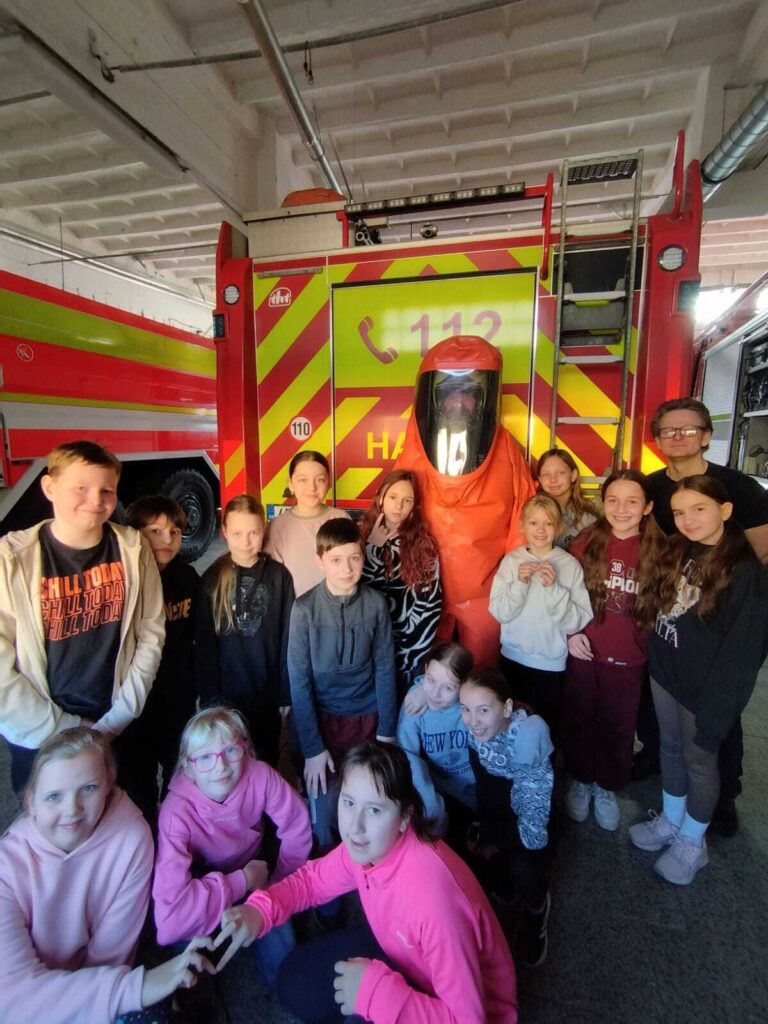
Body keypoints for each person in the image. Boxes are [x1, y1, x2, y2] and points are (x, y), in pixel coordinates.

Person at [214, 739, 518, 1023]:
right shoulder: (368, 845)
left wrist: (375, 995)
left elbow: (469, 1019)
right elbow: (312, 882)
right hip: (404, 951)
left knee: (353, 1006)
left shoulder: (435, 904)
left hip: (465, 1007)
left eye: (374, 810)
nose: (355, 827)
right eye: (349, 803)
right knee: (294, 981)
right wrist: (261, 909)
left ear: (404, 817)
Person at [0, 727, 214, 1024]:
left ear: (109, 784)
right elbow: (13, 1000)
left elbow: (110, 956)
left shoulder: (132, 836)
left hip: (95, 982)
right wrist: (138, 987)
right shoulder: (6, 868)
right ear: (30, 802)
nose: (72, 810)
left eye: (88, 789)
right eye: (54, 797)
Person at [0, 440, 165, 795]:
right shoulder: (10, 560)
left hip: (119, 725)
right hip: (42, 737)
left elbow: (151, 633)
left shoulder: (134, 549)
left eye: (107, 490)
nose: (95, 500)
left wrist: (119, 717)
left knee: (131, 809)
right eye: (81, 488)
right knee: (58, 823)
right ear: (49, 487)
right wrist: (66, 730)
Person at [629, 476, 768, 885]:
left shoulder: (745, 572)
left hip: (703, 689)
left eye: (699, 509)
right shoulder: (680, 549)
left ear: (725, 510)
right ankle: (672, 820)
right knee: (670, 749)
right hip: (666, 674)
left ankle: (693, 841)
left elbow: (743, 654)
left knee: (700, 761)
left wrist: (719, 708)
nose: (687, 519)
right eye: (679, 512)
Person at [639, 397, 768, 834]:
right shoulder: (653, 487)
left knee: (715, 725)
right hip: (676, 635)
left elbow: (761, 552)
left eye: (688, 429)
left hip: (719, 630)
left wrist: (724, 603)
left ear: (707, 435)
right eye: (668, 431)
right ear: (657, 440)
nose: (677, 437)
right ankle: (669, 786)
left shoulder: (739, 488)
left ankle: (723, 796)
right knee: (670, 730)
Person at [395, 335, 536, 666]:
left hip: (486, 594)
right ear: (437, 400)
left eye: (468, 394)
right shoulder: (415, 448)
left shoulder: (505, 448)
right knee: (428, 674)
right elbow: (392, 511)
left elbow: (524, 516)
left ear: (482, 399)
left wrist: (512, 579)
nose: (459, 402)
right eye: (450, 394)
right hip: (425, 589)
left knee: (480, 677)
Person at [153, 707, 311, 989]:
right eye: (205, 757)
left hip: (257, 869)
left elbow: (297, 826)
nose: (220, 766)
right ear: (188, 767)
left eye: (230, 751)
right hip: (206, 878)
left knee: (284, 962)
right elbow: (170, 921)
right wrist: (242, 880)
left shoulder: (260, 775)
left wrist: (278, 884)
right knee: (187, 964)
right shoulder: (175, 813)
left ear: (245, 749)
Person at [563, 471, 665, 830]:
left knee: (619, 725)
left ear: (647, 507)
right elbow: (562, 595)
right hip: (585, 652)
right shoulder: (583, 543)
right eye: (613, 500)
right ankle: (581, 778)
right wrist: (570, 633)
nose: (622, 509)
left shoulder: (661, 550)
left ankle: (606, 786)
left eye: (632, 501)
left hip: (629, 658)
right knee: (579, 718)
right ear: (602, 503)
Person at [288, 517, 397, 852]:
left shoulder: (376, 605)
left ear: (363, 557)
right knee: (322, 820)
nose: (346, 569)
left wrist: (386, 732)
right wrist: (312, 750)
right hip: (321, 725)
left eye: (354, 558)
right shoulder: (304, 609)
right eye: (335, 560)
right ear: (319, 561)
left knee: (370, 807)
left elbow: (385, 668)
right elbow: (299, 682)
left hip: (367, 720)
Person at [459, 667, 555, 969]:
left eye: (483, 710)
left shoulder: (528, 743)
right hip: (499, 820)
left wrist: (490, 836)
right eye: (465, 709)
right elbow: (485, 790)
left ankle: (536, 909)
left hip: (532, 829)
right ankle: (503, 884)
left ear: (507, 708)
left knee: (522, 869)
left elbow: (532, 827)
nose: (472, 721)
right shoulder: (477, 735)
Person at [196, 494, 294, 768]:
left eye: (253, 532)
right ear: (224, 532)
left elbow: (288, 637)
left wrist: (286, 692)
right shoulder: (212, 579)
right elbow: (205, 645)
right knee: (231, 763)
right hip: (227, 697)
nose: (246, 541)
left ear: (264, 529)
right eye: (237, 533)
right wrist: (210, 700)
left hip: (267, 692)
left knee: (266, 760)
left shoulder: (279, 576)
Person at [489, 494, 592, 732]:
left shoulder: (569, 565)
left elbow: (576, 622)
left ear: (559, 527)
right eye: (534, 523)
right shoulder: (511, 561)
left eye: (548, 523)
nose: (541, 530)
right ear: (522, 526)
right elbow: (500, 612)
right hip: (511, 659)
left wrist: (554, 589)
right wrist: (519, 585)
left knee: (544, 729)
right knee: (508, 729)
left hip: (550, 666)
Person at [124, 495, 199, 820]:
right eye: (155, 531)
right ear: (135, 533)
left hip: (178, 696)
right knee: (137, 778)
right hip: (136, 701)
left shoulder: (188, 578)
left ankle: (174, 829)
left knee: (177, 772)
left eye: (174, 532)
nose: (167, 539)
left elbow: (198, 636)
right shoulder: (126, 580)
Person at [360, 469, 442, 691]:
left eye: (407, 500)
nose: (398, 506)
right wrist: (372, 547)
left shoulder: (423, 545)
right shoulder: (360, 536)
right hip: (367, 650)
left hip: (407, 652)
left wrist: (410, 652)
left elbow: (430, 604)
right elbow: (355, 590)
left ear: (414, 507)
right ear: (381, 497)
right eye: (393, 497)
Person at [396, 641, 476, 838]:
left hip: (475, 793)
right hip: (435, 794)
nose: (435, 693)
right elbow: (407, 756)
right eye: (430, 680)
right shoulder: (415, 704)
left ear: (464, 686)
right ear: (425, 670)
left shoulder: (473, 703)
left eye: (448, 688)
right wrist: (432, 807)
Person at [265, 451, 350, 597]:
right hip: (296, 608)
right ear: (291, 485)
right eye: (303, 480)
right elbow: (272, 579)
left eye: (320, 480)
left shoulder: (341, 518)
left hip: (339, 605)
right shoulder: (277, 526)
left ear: (328, 483)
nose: (312, 487)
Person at [536, 447, 598, 549]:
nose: (553, 480)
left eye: (560, 472)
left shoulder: (587, 520)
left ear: (573, 475)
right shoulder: (530, 514)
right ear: (540, 479)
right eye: (546, 474)